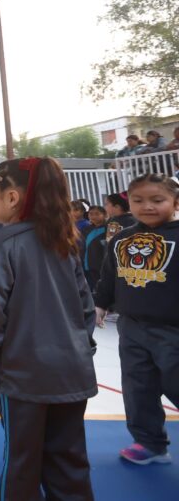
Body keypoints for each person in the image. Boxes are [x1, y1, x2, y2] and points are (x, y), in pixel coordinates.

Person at [0, 157, 98, 500]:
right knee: (69, 458)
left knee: (22, 460)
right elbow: (85, 308)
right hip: (72, 371)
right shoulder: (65, 243)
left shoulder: (1, 246)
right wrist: (81, 347)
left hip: (23, 375)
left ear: (12, 198)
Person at [95, 173, 179, 466]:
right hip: (131, 327)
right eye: (138, 200)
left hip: (173, 329)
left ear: (175, 202)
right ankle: (150, 442)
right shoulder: (122, 238)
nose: (147, 206)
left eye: (157, 200)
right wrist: (100, 304)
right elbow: (109, 276)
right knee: (138, 387)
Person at [79, 205, 108, 294]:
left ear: (105, 215)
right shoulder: (86, 229)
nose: (93, 216)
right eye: (91, 214)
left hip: (102, 266)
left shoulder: (108, 229)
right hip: (87, 265)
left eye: (97, 214)